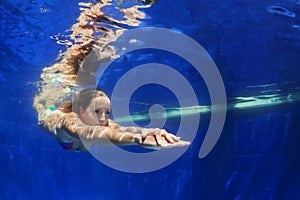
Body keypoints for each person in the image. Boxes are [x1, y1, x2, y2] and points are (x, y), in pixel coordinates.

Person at [37, 88, 189, 151]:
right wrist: (135, 140)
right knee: (41, 105)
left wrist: (148, 132)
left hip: (74, 145)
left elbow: (122, 130)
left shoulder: (105, 123)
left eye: (107, 112)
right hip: (47, 116)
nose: (103, 118)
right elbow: (91, 133)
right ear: (81, 111)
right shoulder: (69, 122)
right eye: (97, 111)